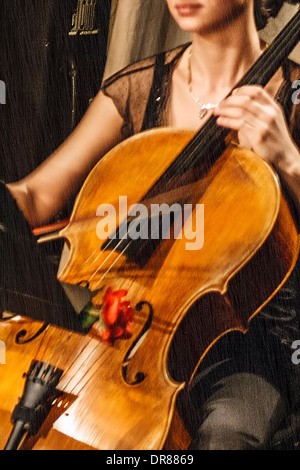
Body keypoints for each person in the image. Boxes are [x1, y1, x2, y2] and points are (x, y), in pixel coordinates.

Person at [3, 0, 300, 450]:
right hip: (122, 321)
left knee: (225, 439)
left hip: (251, 344)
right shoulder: (136, 87)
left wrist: (289, 161)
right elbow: (37, 195)